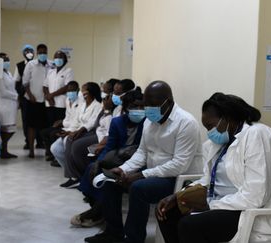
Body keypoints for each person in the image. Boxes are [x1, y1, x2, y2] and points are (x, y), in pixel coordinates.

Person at [85, 80, 203, 243]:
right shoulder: (150, 120)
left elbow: (179, 165)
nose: (147, 109)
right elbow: (142, 152)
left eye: (151, 104)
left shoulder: (186, 123)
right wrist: (124, 169)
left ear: (167, 102)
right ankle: (113, 232)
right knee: (111, 181)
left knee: (138, 188)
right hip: (154, 173)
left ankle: (134, 238)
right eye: (146, 104)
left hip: (179, 179)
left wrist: (141, 175)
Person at [157, 92, 271, 243]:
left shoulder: (257, 134)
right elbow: (207, 179)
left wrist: (210, 204)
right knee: (167, 212)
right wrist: (178, 196)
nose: (209, 132)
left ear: (227, 118)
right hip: (221, 203)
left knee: (189, 225)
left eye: (210, 126)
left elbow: (256, 196)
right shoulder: (217, 143)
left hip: (248, 210)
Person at [72, 89, 146, 228]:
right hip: (118, 158)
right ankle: (100, 211)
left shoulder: (147, 123)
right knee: (91, 169)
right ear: (125, 108)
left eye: (142, 107)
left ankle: (96, 213)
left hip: (137, 162)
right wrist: (99, 161)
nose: (139, 110)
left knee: (110, 178)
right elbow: (109, 146)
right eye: (135, 107)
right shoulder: (117, 122)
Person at [51, 82, 102, 188]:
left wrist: (77, 132)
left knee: (71, 141)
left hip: (89, 131)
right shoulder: (82, 105)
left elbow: (92, 123)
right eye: (82, 91)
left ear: (91, 93)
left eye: (85, 91)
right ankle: (74, 176)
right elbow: (76, 121)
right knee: (64, 142)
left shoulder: (97, 105)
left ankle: (75, 176)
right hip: (78, 130)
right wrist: (70, 131)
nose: (82, 93)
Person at [40, 81, 81, 166]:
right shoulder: (67, 99)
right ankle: (51, 155)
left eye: (72, 91)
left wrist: (63, 123)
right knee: (44, 132)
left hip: (73, 127)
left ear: (78, 90)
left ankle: (58, 158)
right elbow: (68, 116)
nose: (70, 93)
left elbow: (76, 120)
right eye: (68, 91)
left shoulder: (81, 102)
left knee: (53, 134)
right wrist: (62, 122)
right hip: (67, 125)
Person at [22, 44, 51, 158]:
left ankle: (47, 150)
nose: (42, 54)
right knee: (31, 126)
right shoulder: (31, 64)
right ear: (37, 53)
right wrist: (30, 95)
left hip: (46, 101)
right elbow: (25, 82)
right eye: (40, 52)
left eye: (44, 52)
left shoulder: (52, 64)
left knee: (46, 126)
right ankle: (31, 150)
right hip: (32, 100)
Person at [0, 52, 18, 159]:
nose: (7, 62)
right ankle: (2, 149)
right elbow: (2, 91)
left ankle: (4, 150)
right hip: (4, 105)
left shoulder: (7, 72)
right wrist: (16, 96)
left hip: (11, 105)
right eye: (4, 60)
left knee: (10, 129)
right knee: (6, 130)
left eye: (7, 60)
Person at [43, 50, 74, 126]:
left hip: (61, 104)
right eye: (56, 57)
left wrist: (51, 95)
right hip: (49, 104)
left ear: (64, 60)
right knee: (49, 125)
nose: (58, 59)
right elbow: (45, 86)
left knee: (58, 126)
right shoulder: (50, 71)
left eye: (60, 57)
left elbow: (67, 87)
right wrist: (49, 98)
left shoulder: (68, 71)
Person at [13, 44, 35, 149]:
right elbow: (16, 82)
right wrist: (20, 95)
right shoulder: (19, 66)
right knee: (26, 120)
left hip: (38, 97)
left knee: (39, 119)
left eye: (31, 51)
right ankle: (28, 141)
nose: (29, 53)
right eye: (26, 51)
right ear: (23, 53)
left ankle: (40, 142)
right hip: (25, 98)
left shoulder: (38, 64)